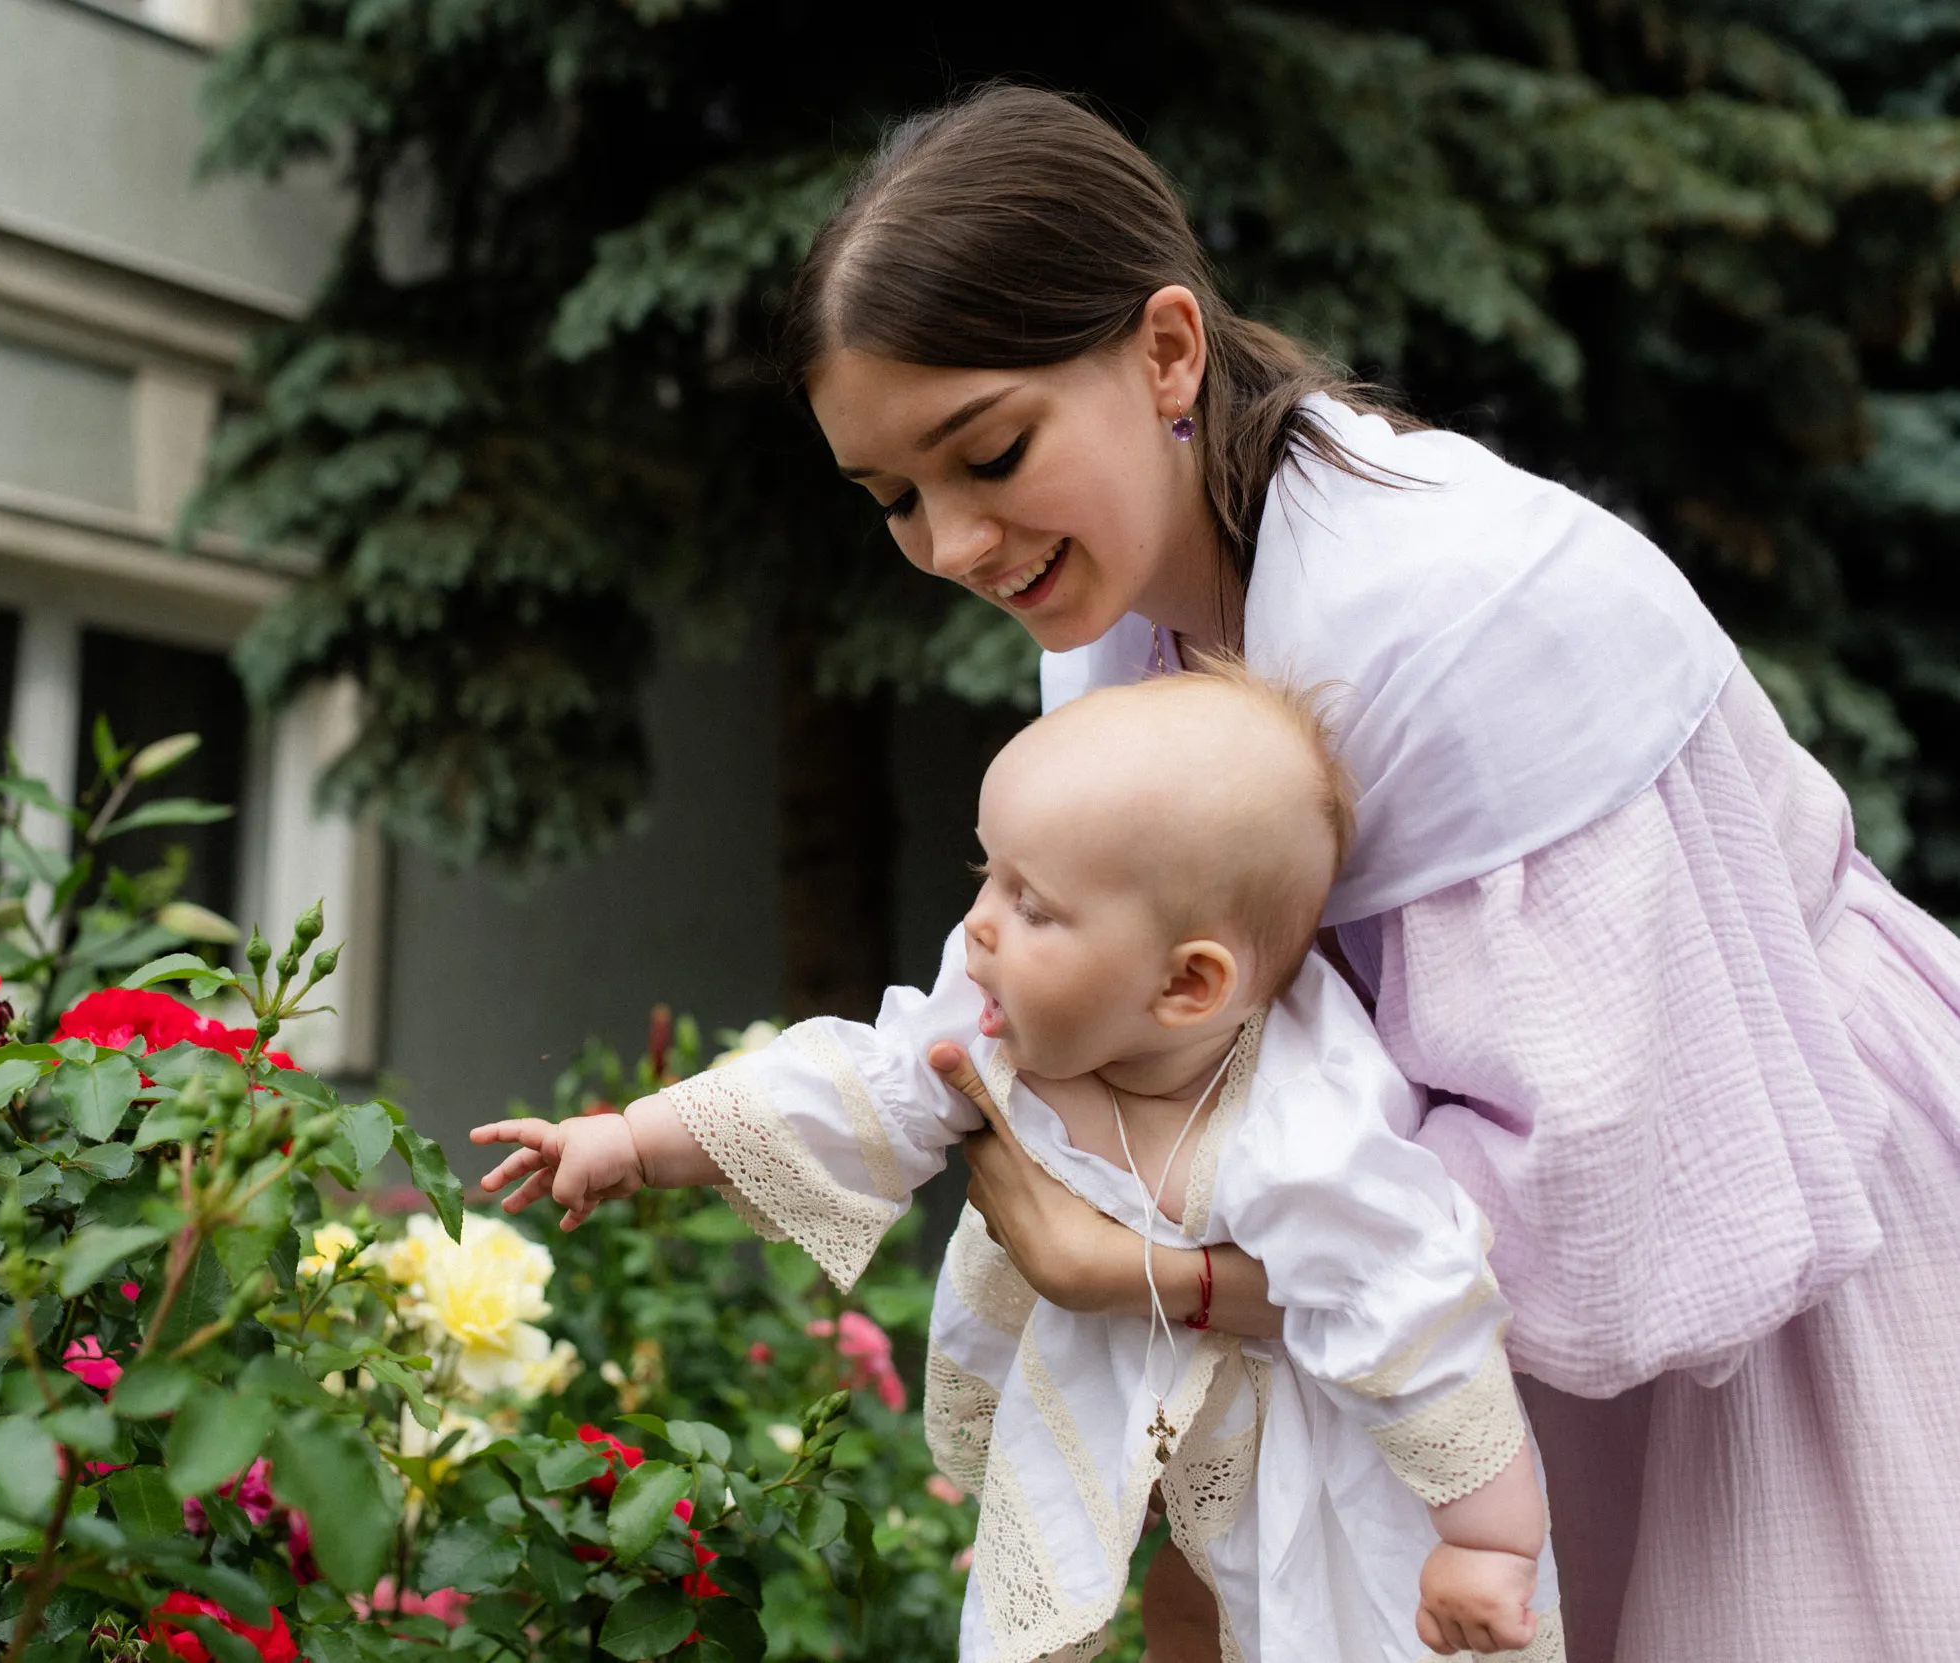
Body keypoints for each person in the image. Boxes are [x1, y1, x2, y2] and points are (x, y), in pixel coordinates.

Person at [721, 82, 1957, 1663]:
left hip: (1769, 1226)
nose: (953, 543)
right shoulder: (1118, 641)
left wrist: (1167, 1274)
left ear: (1167, 349)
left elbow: (1600, 1185)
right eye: (895, 498)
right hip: (1442, 1335)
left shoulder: (1457, 621)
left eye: (990, 453)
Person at [476, 669, 1558, 1662]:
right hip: (1101, 1389)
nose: (979, 926)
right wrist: (636, 1140)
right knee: (1064, 1605)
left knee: (1302, 1623)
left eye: (1030, 904)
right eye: (983, 874)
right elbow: (866, 1082)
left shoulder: (1302, 1129)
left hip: (1308, 1453)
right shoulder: (999, 1017)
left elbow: (1416, 1305)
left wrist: (1486, 1540)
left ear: (1187, 985)